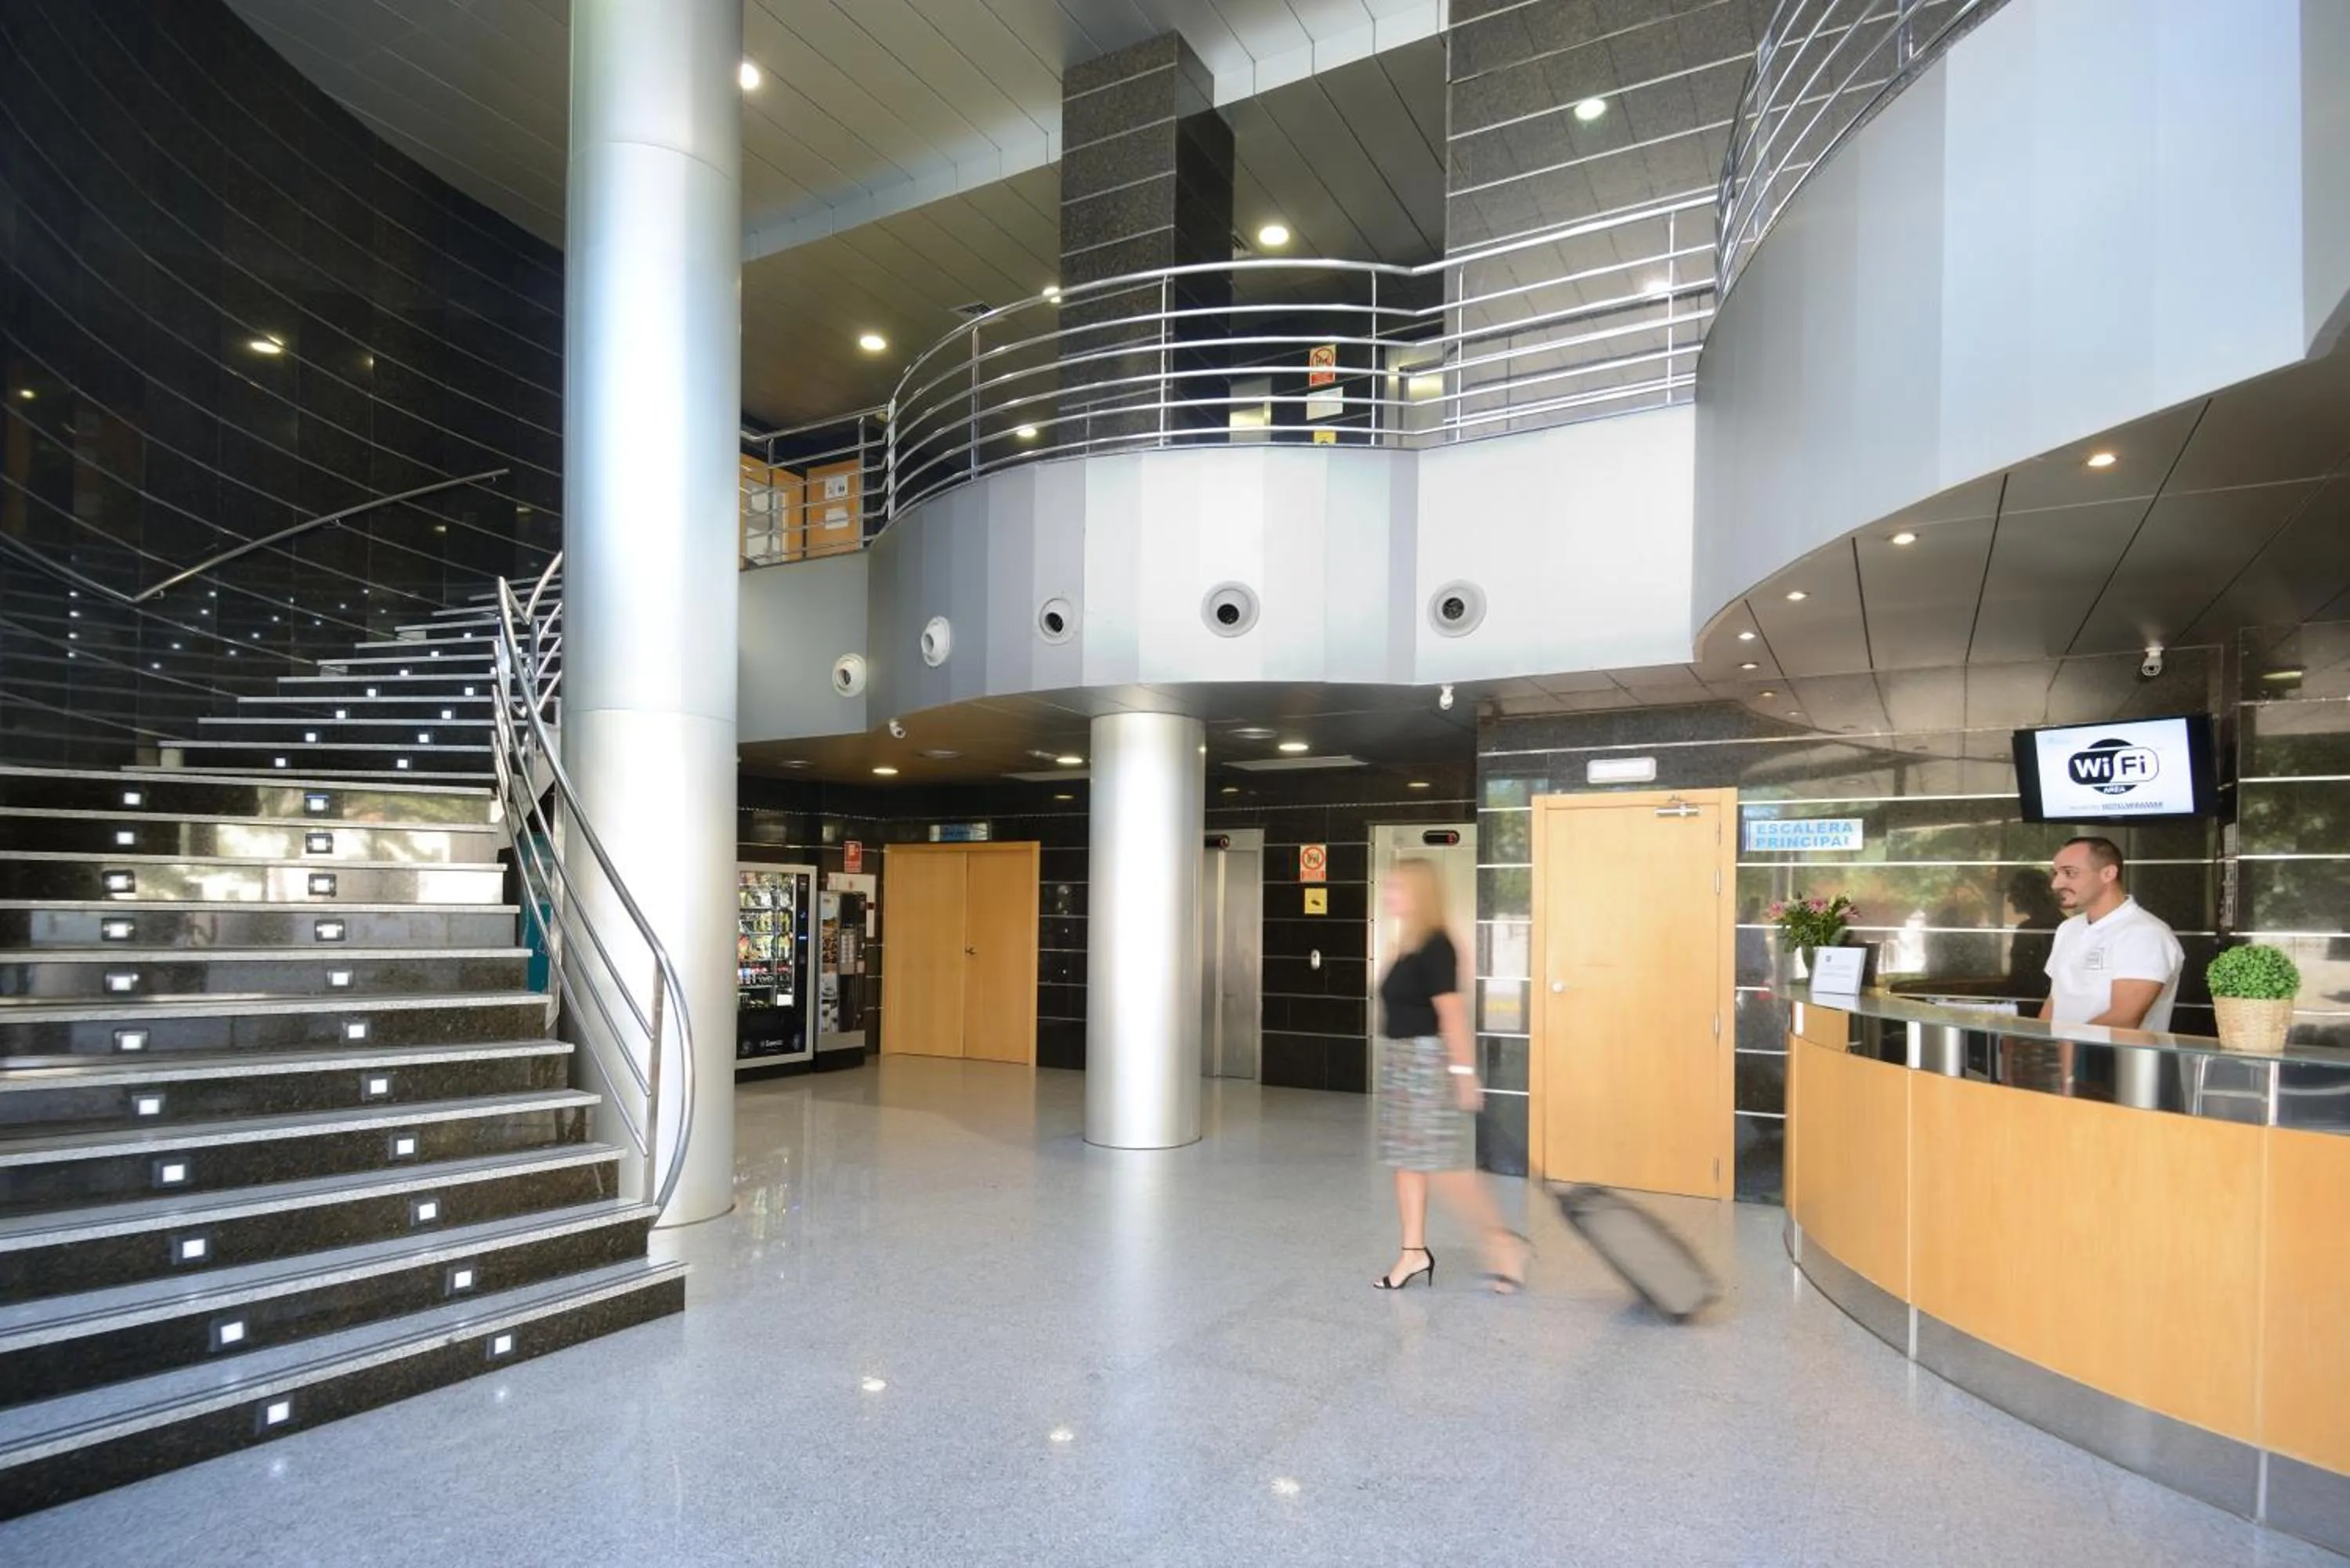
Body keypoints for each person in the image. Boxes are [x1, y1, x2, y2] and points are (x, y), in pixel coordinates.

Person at [1372, 858, 1530, 1294]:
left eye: (1397, 888)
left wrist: (1464, 1074)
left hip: (1427, 1064)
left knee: (1445, 1170)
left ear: (1420, 893)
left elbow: (1453, 1015)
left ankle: (1504, 1245)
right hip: (1400, 1063)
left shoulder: (1438, 945)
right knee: (1406, 1164)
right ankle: (1412, 1253)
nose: (1389, 895)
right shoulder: (1405, 944)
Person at [2040, 837, 2184, 1031]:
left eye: (2069, 873)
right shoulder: (2068, 929)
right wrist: (2038, 1048)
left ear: (2108, 873)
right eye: (2055, 873)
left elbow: (2123, 1019)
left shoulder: (2146, 934)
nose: (2056, 883)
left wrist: (2061, 1049)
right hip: (2063, 1058)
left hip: (2120, 1061)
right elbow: (2054, 1002)